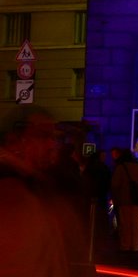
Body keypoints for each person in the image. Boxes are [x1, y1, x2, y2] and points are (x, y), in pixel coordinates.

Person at [0, 104, 88, 277]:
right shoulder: (9, 193)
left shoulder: (38, 185)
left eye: (53, 137)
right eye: (42, 136)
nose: (52, 144)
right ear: (14, 141)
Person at [110, 148, 138, 252]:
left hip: (123, 200)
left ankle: (125, 245)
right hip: (136, 200)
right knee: (135, 224)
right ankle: (135, 245)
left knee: (125, 224)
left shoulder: (120, 168)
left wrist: (115, 197)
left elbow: (115, 185)